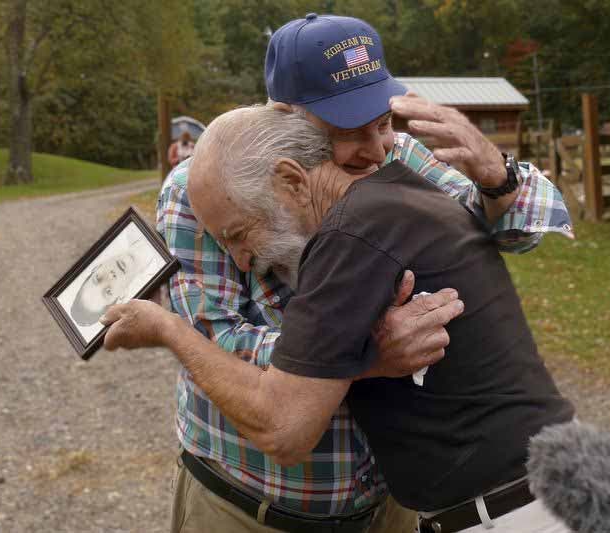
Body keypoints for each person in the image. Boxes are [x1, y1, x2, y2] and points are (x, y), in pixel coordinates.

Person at [114, 13, 572, 533]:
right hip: (249, 505)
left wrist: (496, 175)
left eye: (381, 117)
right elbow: (214, 341)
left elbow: (522, 230)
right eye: (349, 126)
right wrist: (364, 354)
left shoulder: (388, 155)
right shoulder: (202, 190)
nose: (376, 148)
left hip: (385, 504)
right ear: (287, 118)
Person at [70, 230, 157, 327]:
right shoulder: (165, 276)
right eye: (108, 291)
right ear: (122, 296)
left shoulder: (131, 228)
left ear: (97, 267)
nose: (111, 276)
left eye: (98, 278)